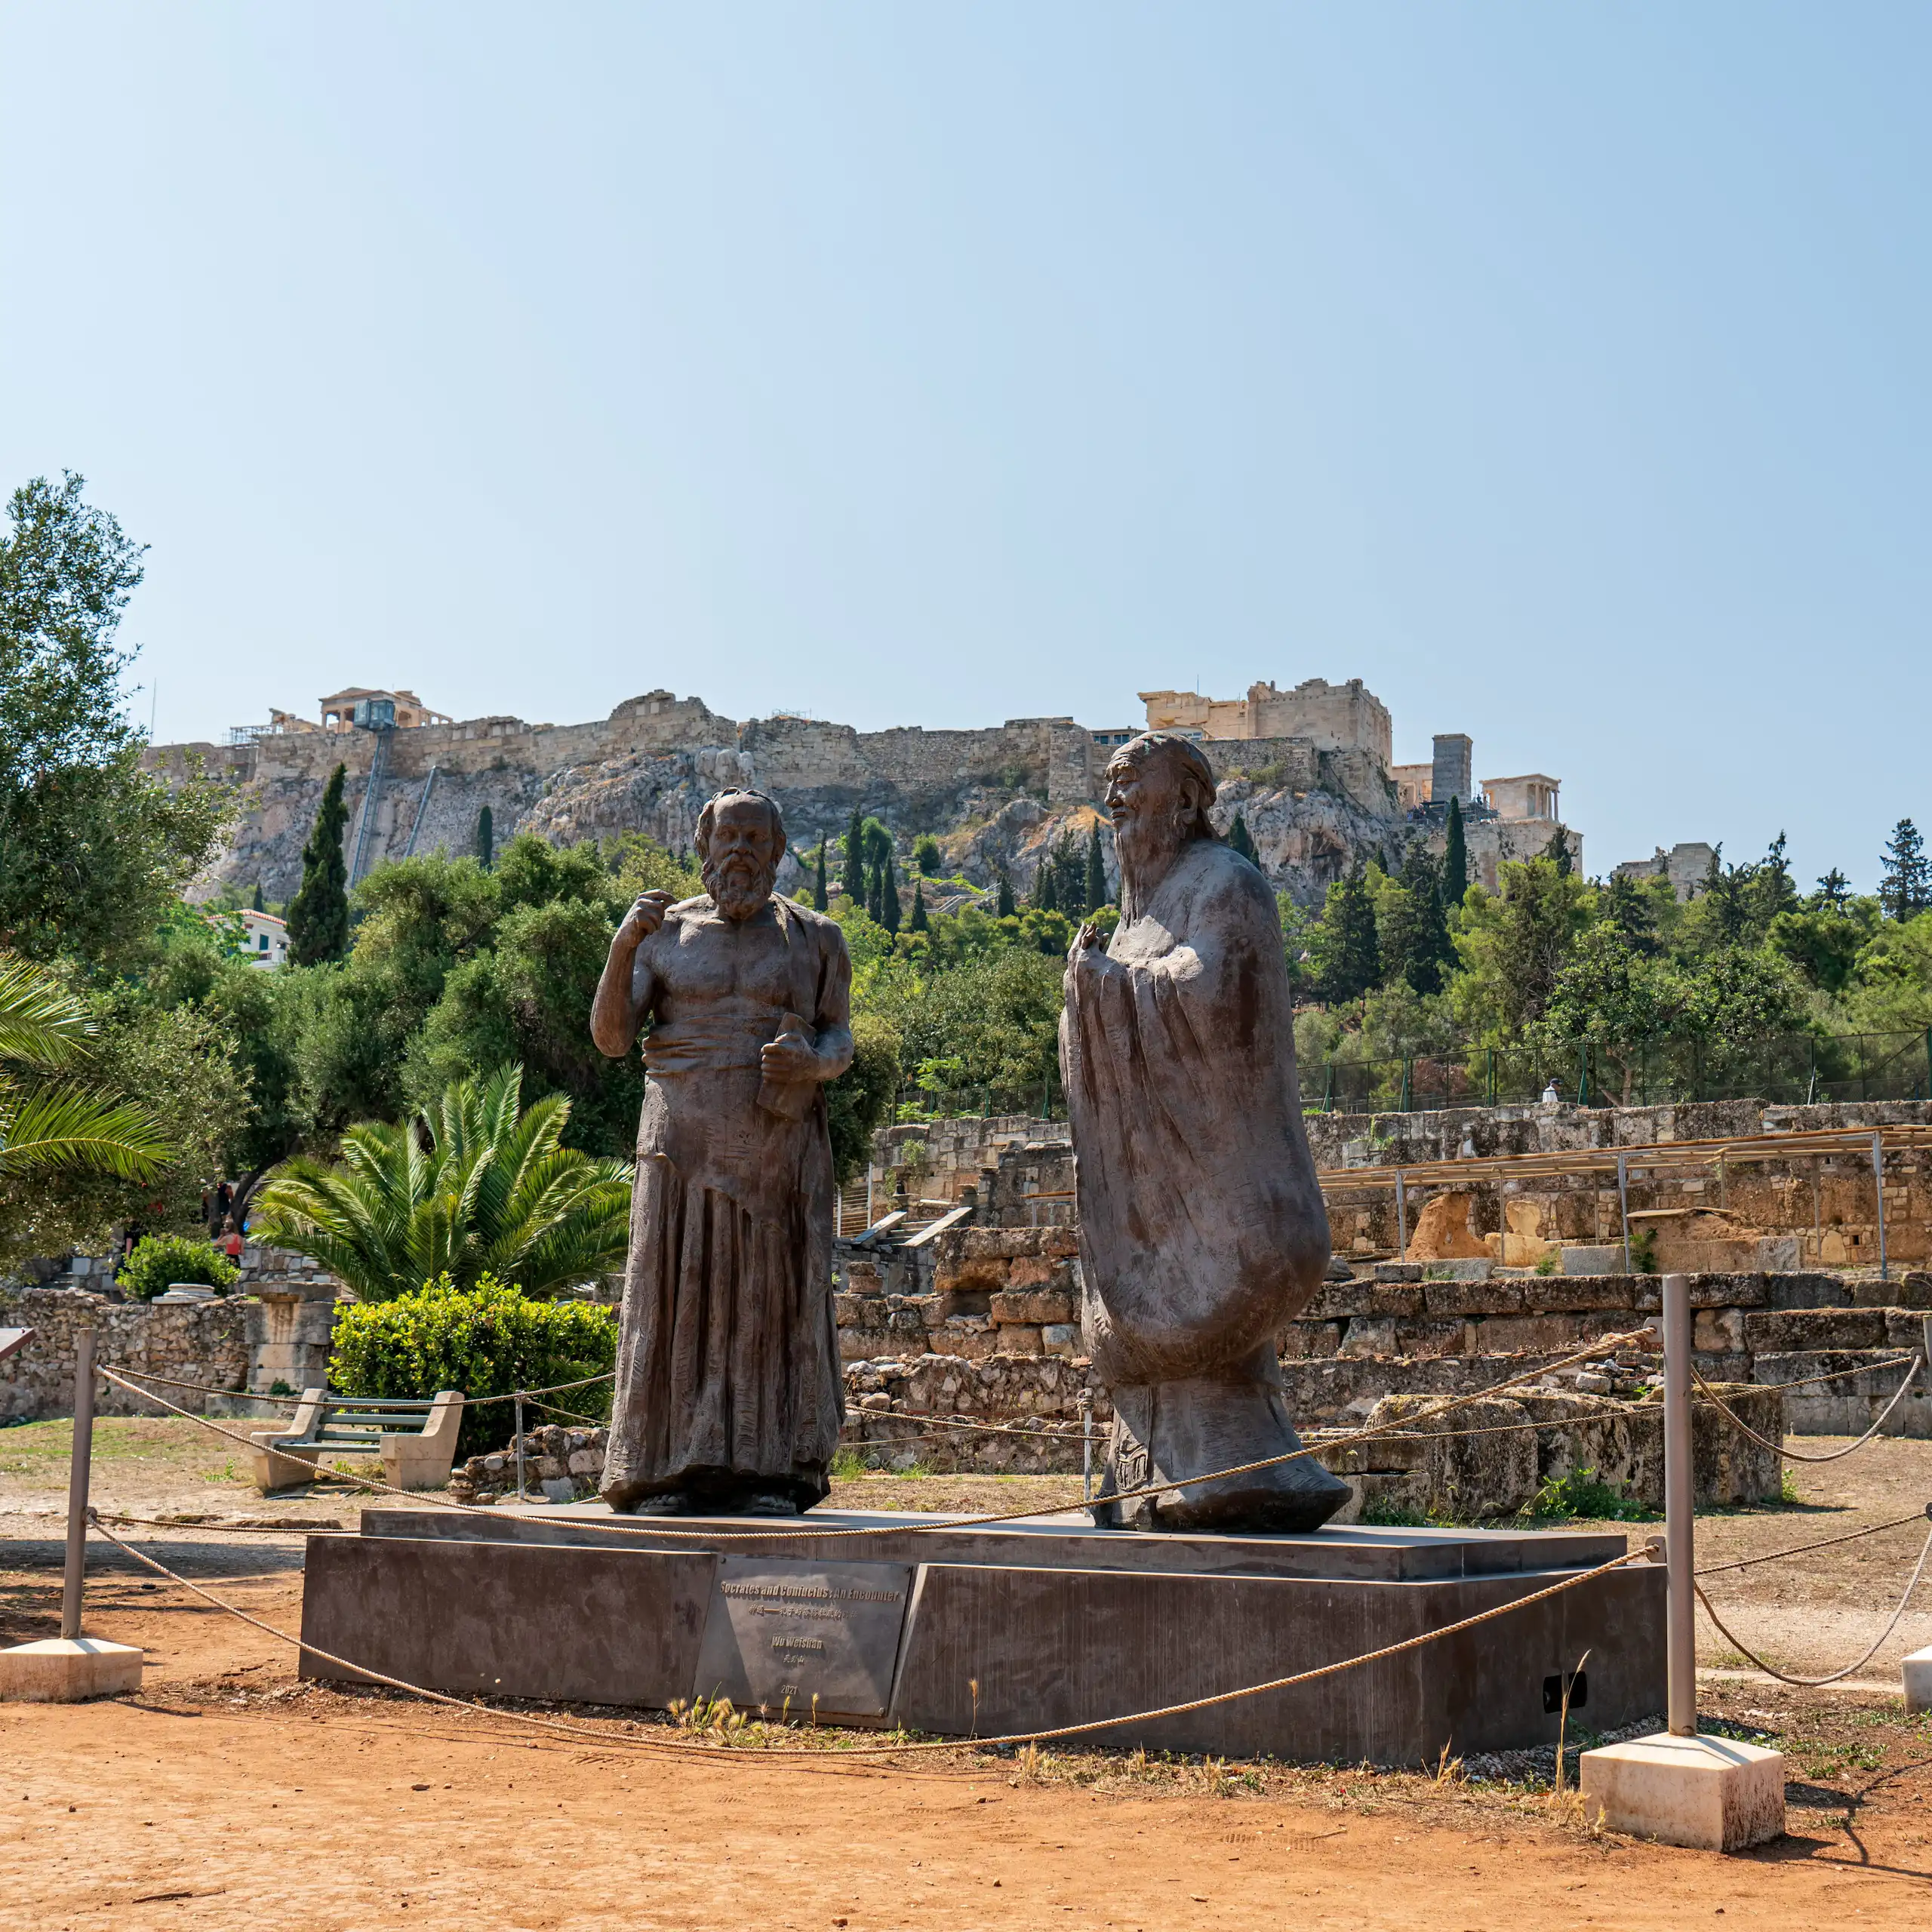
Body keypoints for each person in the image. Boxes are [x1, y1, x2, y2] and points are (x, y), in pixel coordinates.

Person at [1061, 732, 1348, 1532]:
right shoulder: (1135, 913)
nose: (1115, 800)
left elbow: (1217, 993)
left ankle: (1236, 1461)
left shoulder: (1227, 883)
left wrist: (1111, 987)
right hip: (1150, 1189)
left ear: (1185, 799)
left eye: (1132, 784)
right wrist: (1090, 993)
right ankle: (1157, 1466)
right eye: (1109, 786)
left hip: (1226, 1197)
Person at [589, 788, 854, 1515]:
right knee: (674, 1295)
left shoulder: (817, 937)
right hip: (679, 1144)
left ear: (776, 851)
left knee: (766, 1300)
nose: (739, 851)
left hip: (775, 1147)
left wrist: (815, 1063)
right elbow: (612, 1039)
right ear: (702, 848)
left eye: (753, 839)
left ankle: (770, 1473)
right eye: (726, 837)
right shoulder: (660, 935)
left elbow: (840, 1036)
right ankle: (662, 1473)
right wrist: (620, 948)